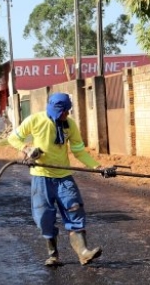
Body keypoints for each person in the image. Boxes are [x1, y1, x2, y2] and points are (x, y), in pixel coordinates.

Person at [7, 92, 115, 266]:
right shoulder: (35, 120)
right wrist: (27, 149)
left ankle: (83, 252)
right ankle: (53, 255)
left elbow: (79, 151)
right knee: (44, 217)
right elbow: (13, 138)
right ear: (54, 109)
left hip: (64, 177)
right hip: (41, 177)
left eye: (67, 111)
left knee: (75, 208)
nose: (66, 115)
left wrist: (97, 167)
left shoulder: (69, 125)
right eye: (63, 112)